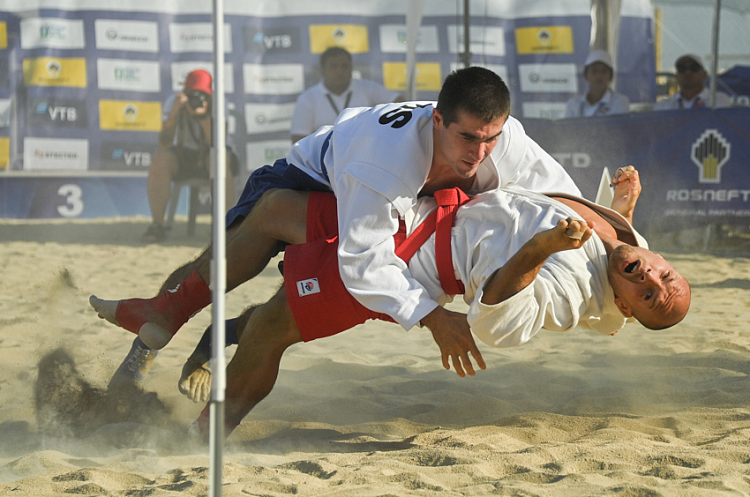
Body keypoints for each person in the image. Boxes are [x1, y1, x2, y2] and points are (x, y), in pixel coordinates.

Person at [90, 66, 581, 383]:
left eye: (490, 139)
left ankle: (218, 331)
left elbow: (565, 201)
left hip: (378, 196)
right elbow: (364, 263)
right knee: (229, 252)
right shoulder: (385, 162)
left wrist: (617, 229)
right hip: (312, 175)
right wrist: (433, 318)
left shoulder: (506, 140)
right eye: (468, 138)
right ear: (437, 120)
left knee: (291, 307)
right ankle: (160, 324)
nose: (479, 152)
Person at [182, 167, 690, 439]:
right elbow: (626, 252)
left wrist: (541, 248)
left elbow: (498, 321)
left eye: (646, 295)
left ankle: (206, 434)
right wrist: (620, 209)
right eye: (662, 273)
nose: (648, 274)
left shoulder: (572, 289)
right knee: (273, 210)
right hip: (421, 210)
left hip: (409, 264)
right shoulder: (623, 240)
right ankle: (195, 324)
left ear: (626, 308)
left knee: (275, 328)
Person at [142, 69, 237, 242]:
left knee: (219, 159)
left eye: (201, 94)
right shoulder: (174, 102)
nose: (197, 99)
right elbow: (165, 143)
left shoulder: (217, 102)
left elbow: (217, 143)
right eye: (193, 94)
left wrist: (203, 117)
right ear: (184, 93)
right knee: (161, 158)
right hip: (186, 157)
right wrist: (173, 115)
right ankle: (157, 225)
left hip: (214, 153)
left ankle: (224, 227)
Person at [290, 46, 404, 143]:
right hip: (324, 160)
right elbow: (298, 139)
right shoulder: (308, 98)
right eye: (333, 66)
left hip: (364, 155)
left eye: (344, 66)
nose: (339, 71)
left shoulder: (367, 88)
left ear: (351, 68)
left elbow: (400, 104)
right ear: (322, 69)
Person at [654, 54, 733, 111]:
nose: (688, 72)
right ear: (676, 77)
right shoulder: (664, 105)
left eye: (694, 68)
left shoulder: (718, 101)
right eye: (682, 69)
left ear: (704, 75)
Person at [564, 50, 629, 118]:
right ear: (586, 75)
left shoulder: (619, 102)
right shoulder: (573, 105)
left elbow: (616, 128)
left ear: (610, 76)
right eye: (594, 71)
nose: (599, 76)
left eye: (604, 71)